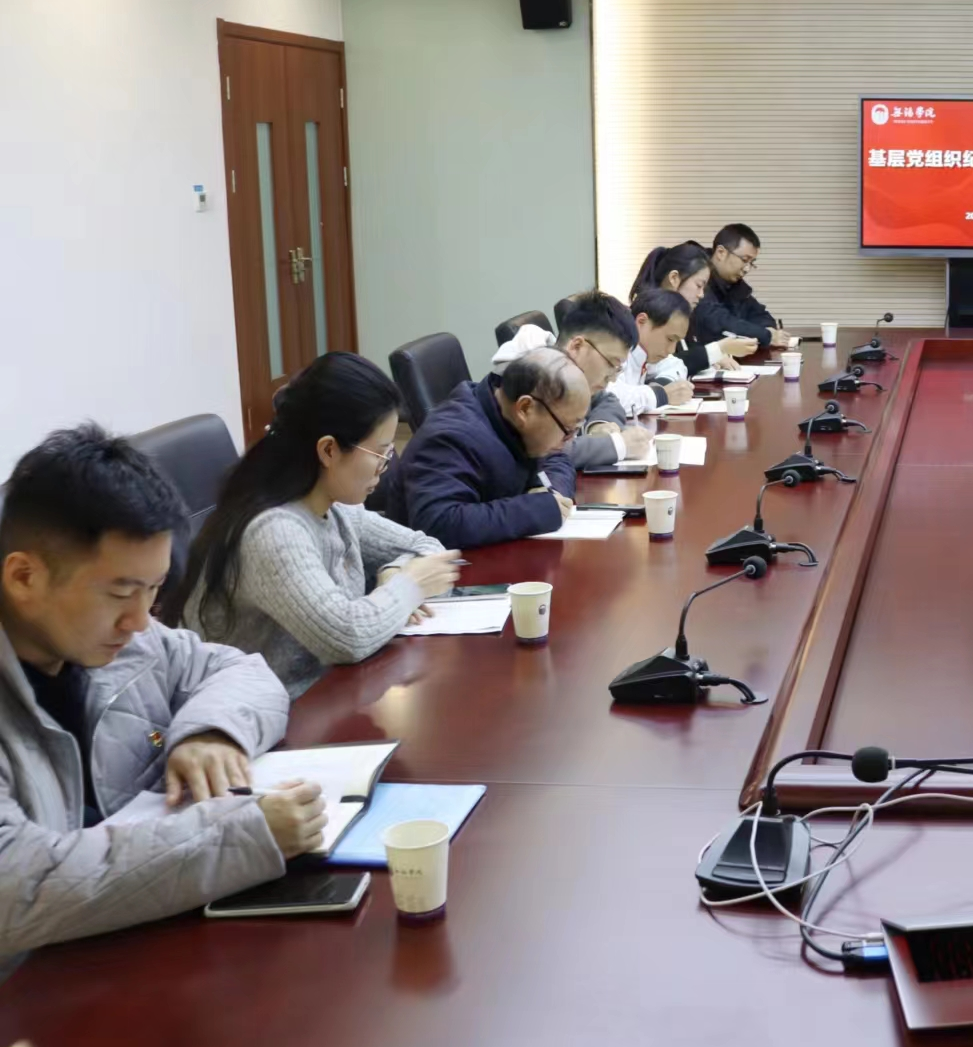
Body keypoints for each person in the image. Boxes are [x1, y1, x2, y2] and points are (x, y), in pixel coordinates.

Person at [0, 426, 325, 966]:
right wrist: (243, 837)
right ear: (24, 577)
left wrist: (211, 732)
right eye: (121, 593)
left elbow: (242, 670)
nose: (139, 621)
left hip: (136, 947)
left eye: (153, 591)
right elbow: (20, 885)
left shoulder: (126, 637)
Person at [164, 353, 464, 697]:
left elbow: (431, 552)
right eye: (381, 454)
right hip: (262, 716)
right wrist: (408, 586)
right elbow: (348, 636)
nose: (385, 467)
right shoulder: (274, 531)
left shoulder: (333, 507)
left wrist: (394, 574)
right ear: (329, 450)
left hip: (330, 696)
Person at [385, 348, 586, 547]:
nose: (568, 440)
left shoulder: (510, 415)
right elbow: (439, 523)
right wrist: (536, 509)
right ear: (525, 408)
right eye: (567, 430)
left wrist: (554, 496)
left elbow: (558, 458)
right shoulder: (450, 438)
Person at [491, 291, 652, 470]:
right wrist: (618, 446)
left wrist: (598, 425)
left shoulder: (567, 373)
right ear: (577, 346)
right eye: (611, 364)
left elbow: (607, 399)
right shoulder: (529, 377)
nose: (613, 377)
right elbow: (544, 453)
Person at [630, 241, 756, 379]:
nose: (701, 295)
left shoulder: (685, 313)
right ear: (674, 278)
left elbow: (679, 360)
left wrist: (711, 358)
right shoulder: (650, 313)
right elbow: (659, 364)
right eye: (698, 285)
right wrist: (717, 350)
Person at [694, 223, 791, 351]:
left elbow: (761, 315)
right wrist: (765, 335)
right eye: (744, 260)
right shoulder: (696, 278)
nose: (747, 269)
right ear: (721, 252)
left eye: (751, 263)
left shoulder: (735, 285)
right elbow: (718, 321)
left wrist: (768, 331)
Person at [604, 289, 696, 421]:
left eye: (677, 341)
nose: (672, 349)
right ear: (642, 322)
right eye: (670, 339)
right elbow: (608, 398)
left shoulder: (645, 353)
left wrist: (661, 385)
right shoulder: (614, 349)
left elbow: (676, 365)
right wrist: (661, 395)